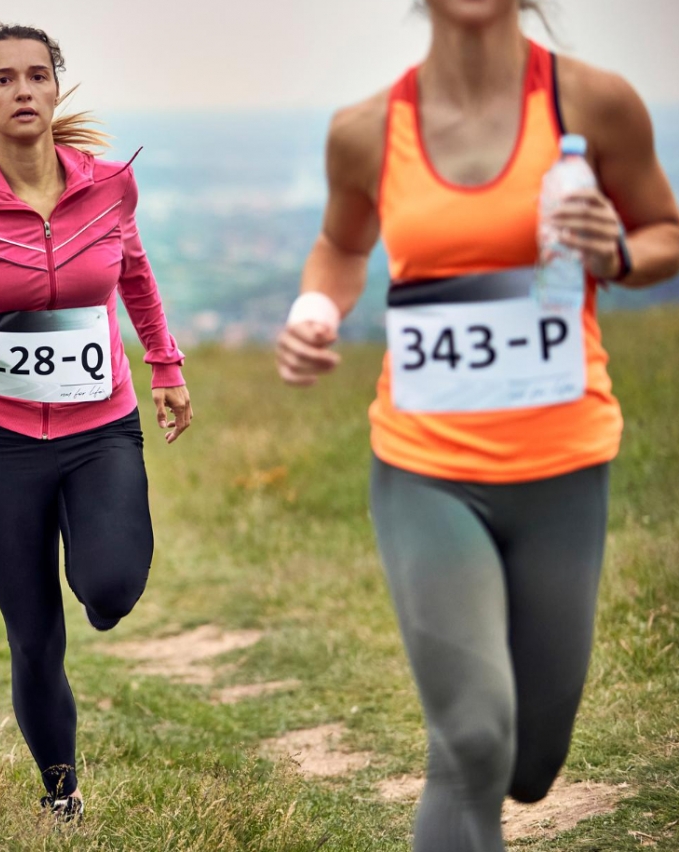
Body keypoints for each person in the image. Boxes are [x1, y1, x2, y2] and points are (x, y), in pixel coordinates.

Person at [276, 2, 679, 849]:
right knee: (470, 740)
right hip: (425, 467)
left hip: (562, 467)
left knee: (529, 763)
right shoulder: (364, 131)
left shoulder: (594, 104)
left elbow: (663, 233)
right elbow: (342, 247)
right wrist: (316, 308)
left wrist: (617, 254)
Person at [0, 23, 192, 818]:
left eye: (36, 76)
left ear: (56, 88)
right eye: (3, 79)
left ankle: (101, 580)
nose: (22, 90)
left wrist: (165, 367)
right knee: (33, 637)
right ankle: (60, 793)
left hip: (101, 428)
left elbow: (135, 274)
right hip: (7, 443)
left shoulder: (109, 185)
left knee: (109, 590)